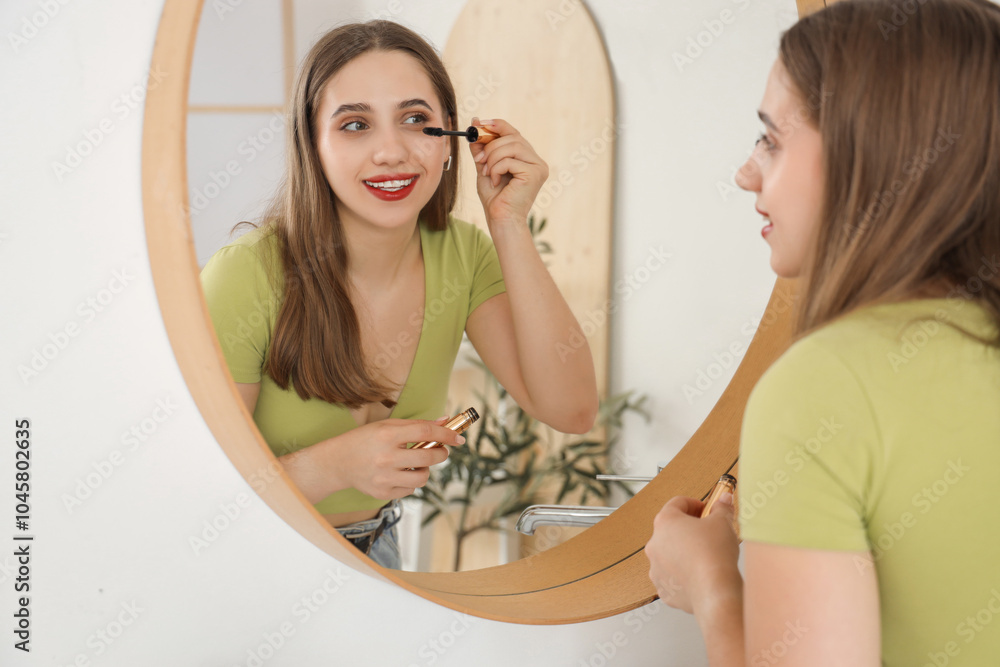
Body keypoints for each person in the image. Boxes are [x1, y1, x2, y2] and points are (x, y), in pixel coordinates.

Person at [644, 0, 1000, 664]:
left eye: (772, 139)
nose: (746, 172)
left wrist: (713, 585)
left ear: (878, 153)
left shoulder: (822, 389)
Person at [199, 21, 598, 569]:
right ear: (311, 144)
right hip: (254, 561)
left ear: (455, 138)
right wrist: (332, 468)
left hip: (379, 551)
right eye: (355, 124)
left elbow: (571, 408)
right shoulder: (244, 277)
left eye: (415, 120)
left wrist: (510, 224)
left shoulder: (464, 255)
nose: (391, 151)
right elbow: (198, 496)